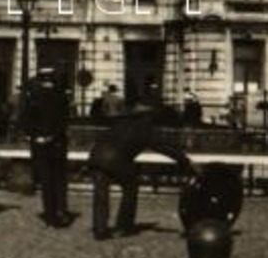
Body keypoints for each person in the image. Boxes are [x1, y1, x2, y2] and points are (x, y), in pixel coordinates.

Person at [89, 100, 200, 239]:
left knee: (101, 191)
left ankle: (100, 229)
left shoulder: (122, 122)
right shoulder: (145, 130)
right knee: (131, 186)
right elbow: (164, 148)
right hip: (116, 160)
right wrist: (185, 161)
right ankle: (123, 226)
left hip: (96, 155)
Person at [21, 66, 74, 227]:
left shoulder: (32, 96)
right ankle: (61, 211)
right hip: (57, 144)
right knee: (59, 179)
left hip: (39, 145)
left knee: (45, 181)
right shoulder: (61, 96)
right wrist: (51, 137)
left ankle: (49, 215)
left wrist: (34, 136)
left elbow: (25, 119)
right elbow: (64, 121)